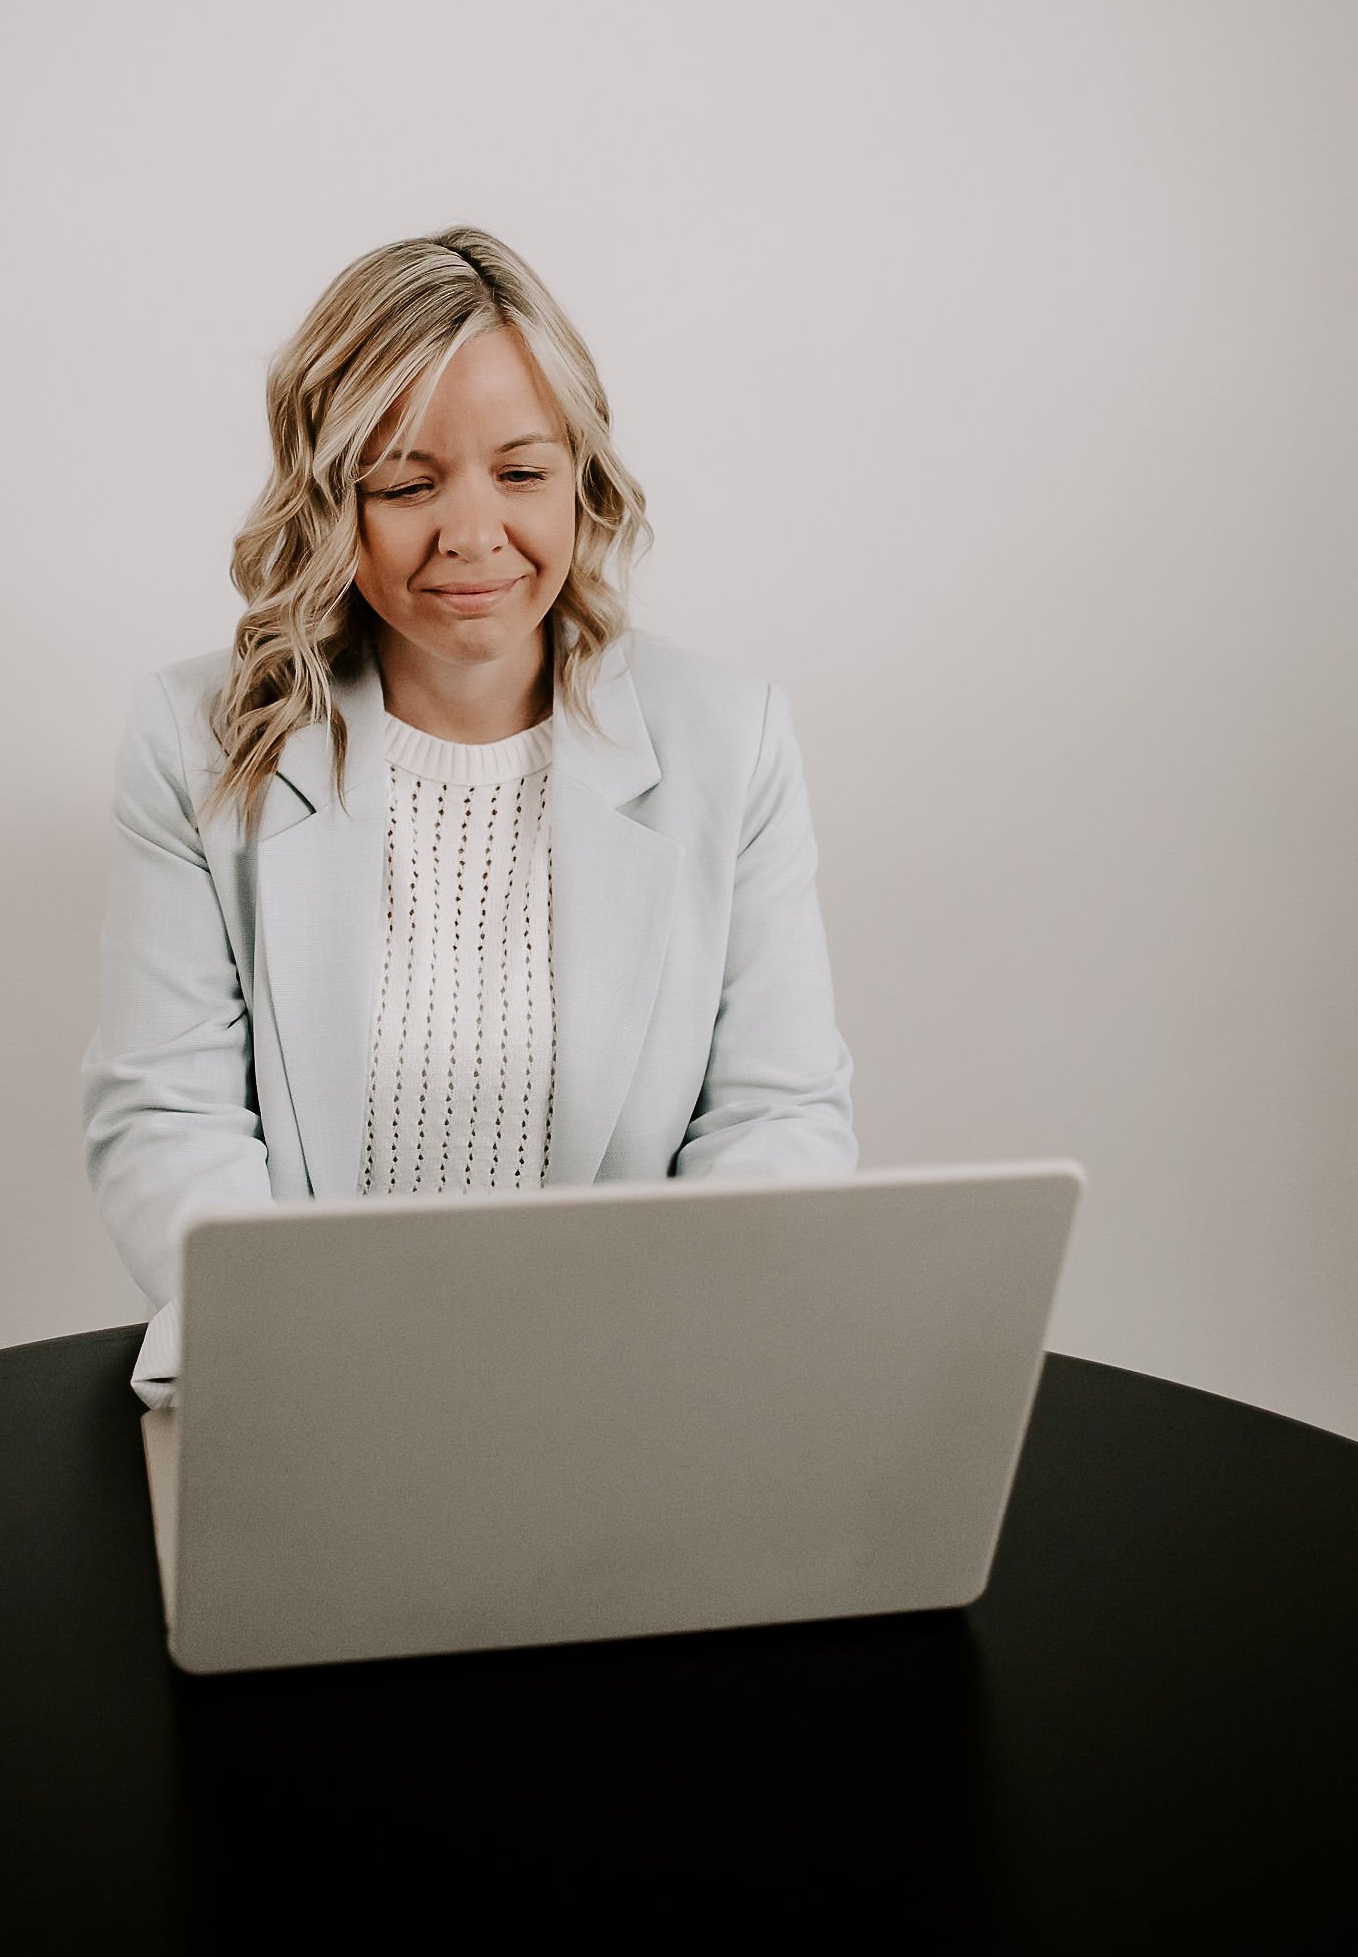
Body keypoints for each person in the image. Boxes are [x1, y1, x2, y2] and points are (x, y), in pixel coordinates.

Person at [79, 225, 858, 1407]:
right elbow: (167, 1113)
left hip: (626, 1396)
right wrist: (305, 1350)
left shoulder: (728, 738)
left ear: (582, 478)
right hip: (308, 1395)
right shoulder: (191, 738)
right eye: (405, 482)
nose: (473, 533)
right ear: (331, 495)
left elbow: (778, 1111)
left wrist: (667, 1345)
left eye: (522, 471)